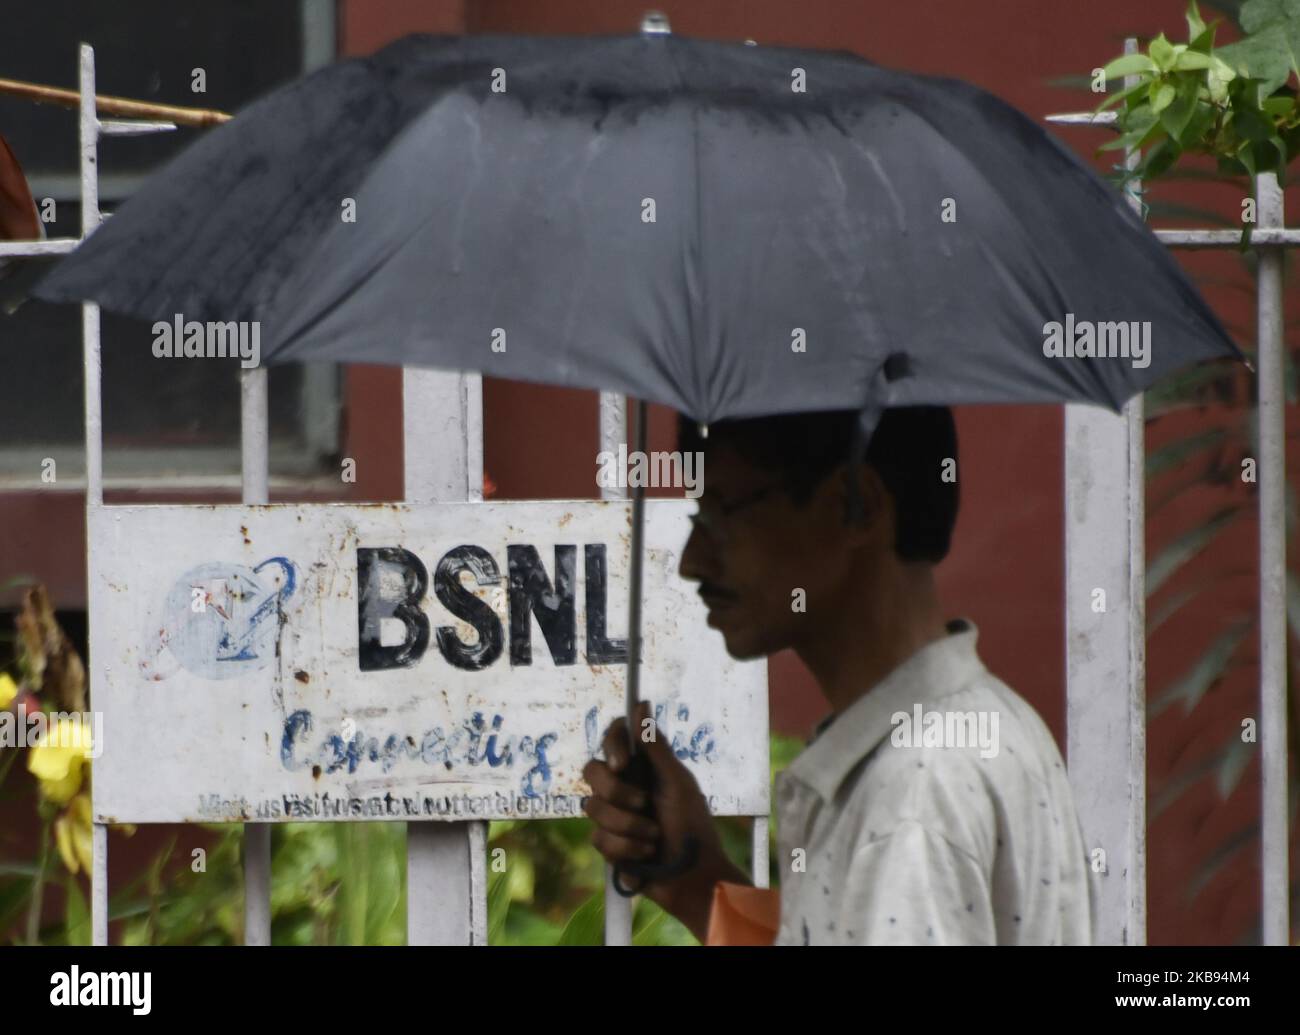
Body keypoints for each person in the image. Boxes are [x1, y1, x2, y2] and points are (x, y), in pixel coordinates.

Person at [581, 405, 1095, 945]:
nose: (692, 562)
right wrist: (695, 883)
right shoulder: (988, 723)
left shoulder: (912, 796)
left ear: (854, 506)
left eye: (720, 517)